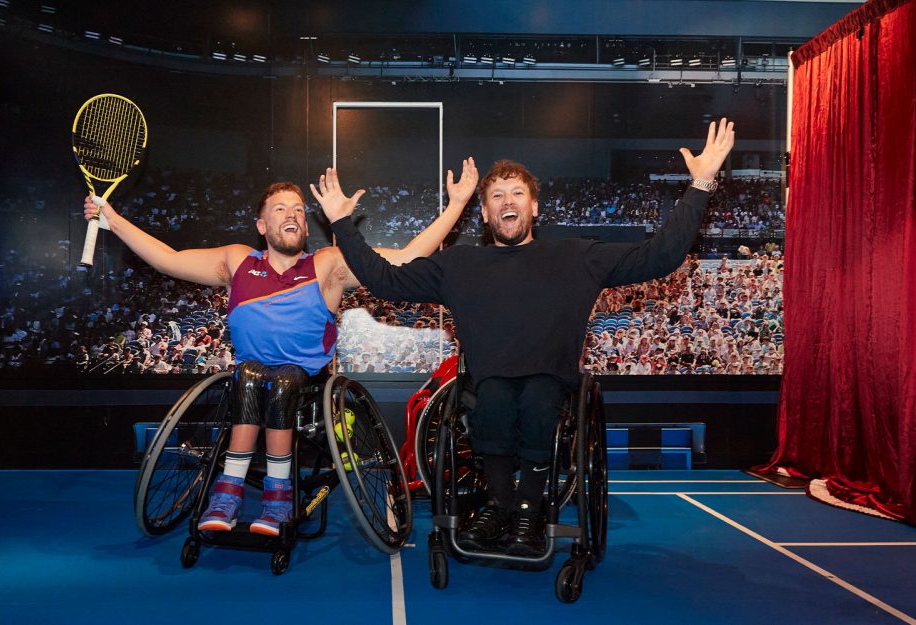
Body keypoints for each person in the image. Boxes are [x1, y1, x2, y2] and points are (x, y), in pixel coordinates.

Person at [314, 119, 735, 556]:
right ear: (485, 213)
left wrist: (702, 182)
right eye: (496, 195)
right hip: (488, 383)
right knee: (493, 397)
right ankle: (500, 505)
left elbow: (661, 255)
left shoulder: (576, 256)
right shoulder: (459, 265)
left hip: (550, 384)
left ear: (534, 208)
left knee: (536, 399)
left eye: (517, 193)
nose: (506, 201)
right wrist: (342, 223)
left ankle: (530, 510)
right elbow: (386, 281)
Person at [82, 158, 479, 536]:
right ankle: (227, 495)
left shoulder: (327, 264)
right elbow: (167, 258)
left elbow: (408, 257)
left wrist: (457, 204)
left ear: (305, 226)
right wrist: (112, 221)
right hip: (250, 377)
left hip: (304, 382)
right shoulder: (237, 262)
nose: (292, 214)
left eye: (298, 210)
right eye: (280, 208)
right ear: (261, 224)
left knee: (284, 379)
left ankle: (277, 499)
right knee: (254, 375)